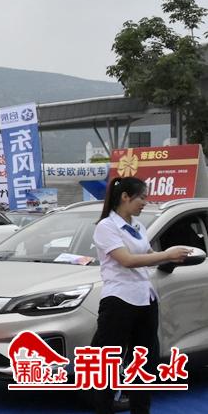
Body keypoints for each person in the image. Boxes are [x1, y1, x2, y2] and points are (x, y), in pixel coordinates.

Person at [90, 177, 190, 414]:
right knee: (109, 363)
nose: (145, 202)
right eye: (142, 197)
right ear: (125, 197)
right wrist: (167, 255)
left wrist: (174, 256)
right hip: (119, 301)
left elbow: (147, 254)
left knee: (144, 362)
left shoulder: (137, 226)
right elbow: (126, 260)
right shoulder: (106, 226)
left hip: (145, 299)